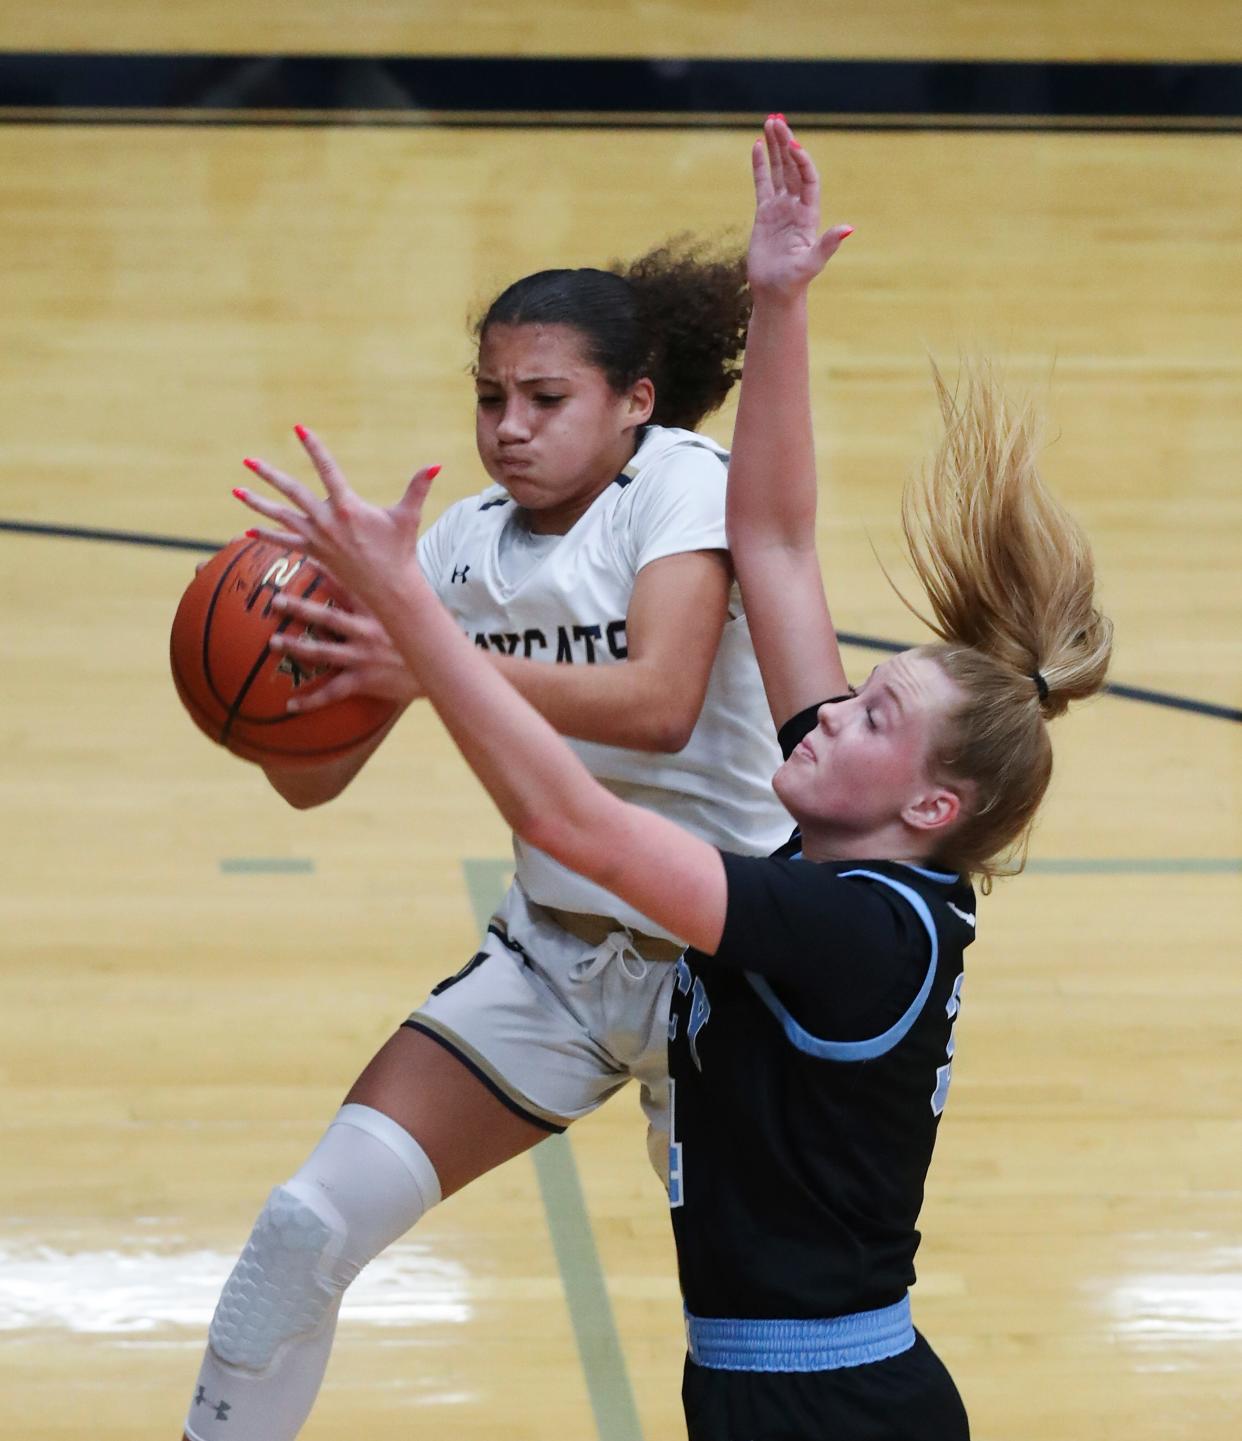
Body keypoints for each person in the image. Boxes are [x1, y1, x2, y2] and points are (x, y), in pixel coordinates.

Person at [230, 116, 1113, 1439]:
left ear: (928, 807)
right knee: (307, 1226)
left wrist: (411, 629)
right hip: (759, 1373)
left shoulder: (834, 924)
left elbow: (570, 813)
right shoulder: (851, 855)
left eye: (864, 715)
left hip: (833, 1400)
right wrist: (777, 298)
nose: (812, 716)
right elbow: (780, 538)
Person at [182, 245, 794, 1441]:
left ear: (636, 402)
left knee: (757, 1338)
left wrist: (426, 657)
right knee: (302, 1233)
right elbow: (316, 789)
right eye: (490, 397)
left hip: (729, 973)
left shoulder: (683, 488)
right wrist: (282, 675)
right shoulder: (455, 544)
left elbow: (661, 697)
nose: (510, 428)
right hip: (552, 964)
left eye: (546, 399)